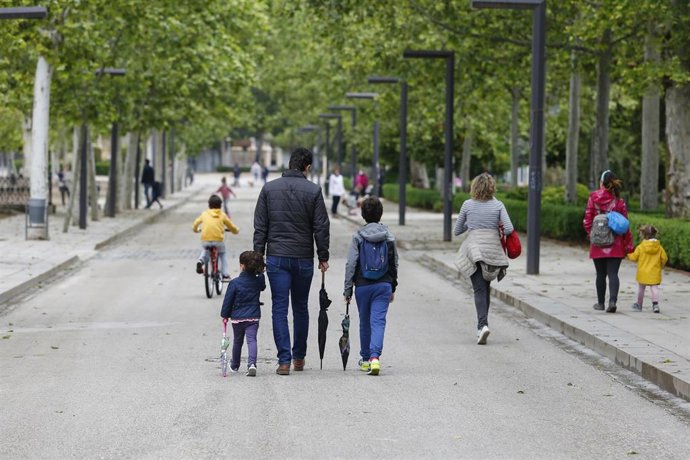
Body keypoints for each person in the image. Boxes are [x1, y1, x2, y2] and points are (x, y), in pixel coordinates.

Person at [253, 147, 330, 375]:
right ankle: (299, 358)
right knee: (300, 308)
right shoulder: (314, 191)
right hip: (303, 259)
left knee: (279, 308)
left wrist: (258, 257)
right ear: (307, 167)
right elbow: (321, 227)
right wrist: (323, 256)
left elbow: (260, 227)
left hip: (276, 258)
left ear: (289, 164)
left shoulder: (268, 189)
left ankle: (284, 361)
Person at [454, 173, 513, 345]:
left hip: (474, 249)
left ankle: (482, 325)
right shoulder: (498, 205)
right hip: (492, 250)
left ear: (474, 187)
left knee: (479, 289)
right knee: (486, 287)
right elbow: (509, 229)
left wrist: (471, 223)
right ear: (492, 187)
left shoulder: (467, 205)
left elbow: (457, 230)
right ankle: (483, 325)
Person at [343, 197, 398, 376]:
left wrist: (348, 289)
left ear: (363, 214)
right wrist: (393, 286)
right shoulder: (388, 236)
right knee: (378, 321)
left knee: (365, 322)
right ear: (380, 214)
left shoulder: (358, 236)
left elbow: (351, 264)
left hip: (363, 286)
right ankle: (375, 357)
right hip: (383, 285)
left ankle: (365, 359)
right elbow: (393, 263)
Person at [583, 170, 633, 313]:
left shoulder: (593, 197)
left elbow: (587, 219)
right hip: (615, 242)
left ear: (601, 183)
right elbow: (625, 225)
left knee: (600, 274)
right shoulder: (619, 202)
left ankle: (600, 303)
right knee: (613, 274)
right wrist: (628, 244)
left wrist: (591, 234)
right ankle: (612, 301)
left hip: (597, 242)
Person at [221, 251, 266, 376]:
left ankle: (235, 365)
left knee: (237, 341)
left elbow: (228, 300)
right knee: (252, 340)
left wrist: (225, 314)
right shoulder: (257, 281)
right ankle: (252, 364)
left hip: (237, 318)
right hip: (253, 317)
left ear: (242, 266)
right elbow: (263, 286)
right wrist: (261, 273)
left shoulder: (234, 283)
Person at [193, 195, 239, 279]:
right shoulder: (222, 215)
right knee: (222, 254)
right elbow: (231, 226)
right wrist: (236, 231)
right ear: (220, 206)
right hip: (218, 240)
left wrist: (196, 230)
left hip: (205, 239)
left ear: (209, 205)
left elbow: (196, 223)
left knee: (205, 250)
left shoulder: (204, 214)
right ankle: (225, 273)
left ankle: (200, 261)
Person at [627, 225, 667, 313]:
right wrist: (661, 265)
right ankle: (655, 305)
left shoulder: (641, 247)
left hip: (643, 272)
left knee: (641, 289)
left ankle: (639, 304)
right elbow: (664, 258)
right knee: (654, 288)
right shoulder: (659, 248)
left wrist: (628, 254)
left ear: (644, 235)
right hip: (654, 272)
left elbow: (634, 257)